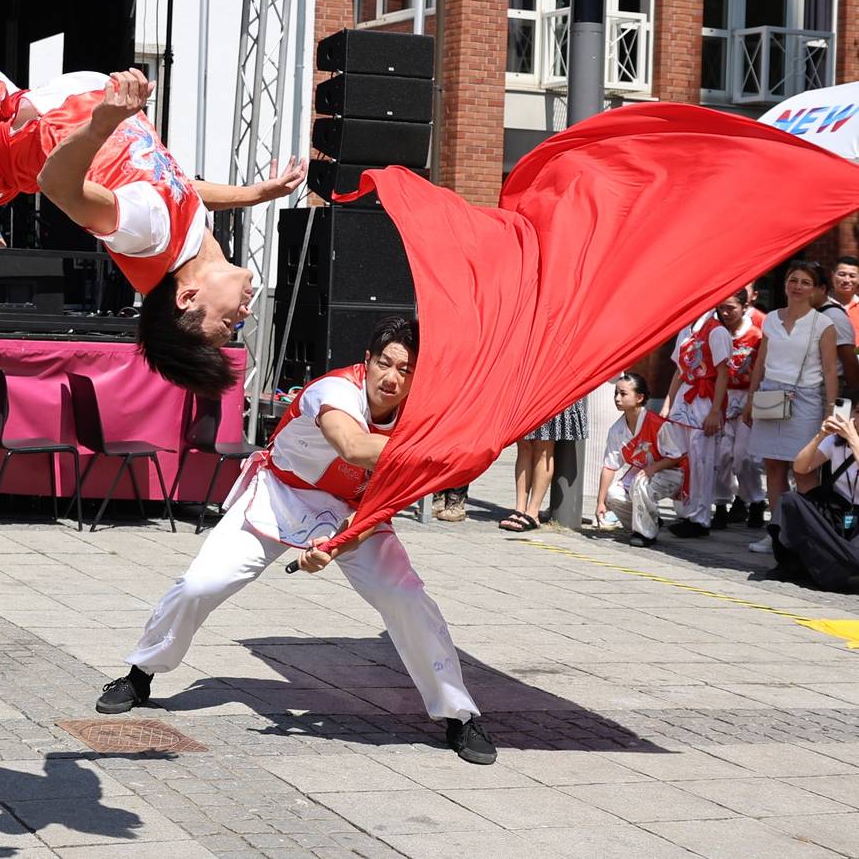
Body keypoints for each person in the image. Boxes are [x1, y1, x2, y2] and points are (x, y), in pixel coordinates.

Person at [94, 316, 497, 766]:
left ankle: (459, 715)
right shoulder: (336, 391)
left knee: (406, 597)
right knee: (200, 584)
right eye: (386, 363)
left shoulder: (422, 419)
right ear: (367, 362)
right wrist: (446, 451)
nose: (393, 377)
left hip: (354, 509)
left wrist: (334, 547)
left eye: (406, 371)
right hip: (282, 494)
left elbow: (385, 500)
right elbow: (352, 447)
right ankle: (140, 673)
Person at [0, 67, 305, 396]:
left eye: (226, 324)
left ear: (187, 298)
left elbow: (59, 185)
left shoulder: (150, 231)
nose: (243, 315)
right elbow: (178, 185)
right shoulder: (184, 237)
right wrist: (255, 194)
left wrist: (103, 123)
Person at [743, 260, 839, 553]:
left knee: (803, 469)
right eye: (793, 280)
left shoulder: (823, 324)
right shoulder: (771, 318)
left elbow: (829, 369)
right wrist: (750, 398)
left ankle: (808, 536)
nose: (797, 286)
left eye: (805, 282)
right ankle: (778, 533)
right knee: (773, 465)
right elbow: (761, 361)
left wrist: (830, 410)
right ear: (785, 283)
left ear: (816, 290)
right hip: (770, 396)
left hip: (806, 399)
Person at [772, 398, 859, 590]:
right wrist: (821, 436)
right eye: (857, 412)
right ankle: (790, 565)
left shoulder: (852, 440)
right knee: (791, 501)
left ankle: (836, 568)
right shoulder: (835, 442)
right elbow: (801, 467)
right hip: (839, 513)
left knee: (855, 561)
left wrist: (854, 438)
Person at [595, 372, 687, 546]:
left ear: (639, 397)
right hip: (644, 472)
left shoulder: (657, 424)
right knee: (613, 494)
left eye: (623, 394)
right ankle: (649, 522)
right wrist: (601, 502)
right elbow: (609, 466)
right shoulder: (617, 430)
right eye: (616, 393)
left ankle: (646, 534)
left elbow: (677, 456)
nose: (617, 398)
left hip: (671, 472)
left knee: (640, 482)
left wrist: (651, 469)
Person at [661, 310, 731, 537]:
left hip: (705, 398)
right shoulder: (685, 329)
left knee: (702, 460)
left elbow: (722, 374)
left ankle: (701, 517)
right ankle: (685, 510)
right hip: (685, 397)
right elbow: (679, 372)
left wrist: (714, 411)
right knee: (683, 458)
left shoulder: (717, 330)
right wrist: (668, 402)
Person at [711, 290, 766, 530]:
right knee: (721, 455)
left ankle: (754, 500)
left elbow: (761, 369)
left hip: (747, 397)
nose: (725, 313)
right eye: (721, 307)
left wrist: (753, 400)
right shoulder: (716, 333)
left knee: (744, 456)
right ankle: (721, 505)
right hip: (722, 397)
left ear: (744, 307)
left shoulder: (756, 335)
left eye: (731, 308)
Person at [497, 398, 587, 533]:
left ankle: (533, 511)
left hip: (552, 387)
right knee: (523, 444)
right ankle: (519, 508)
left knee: (543, 445)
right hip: (527, 385)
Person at [830, 255, 859, 338]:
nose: (846, 280)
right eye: (842, 274)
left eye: (852, 276)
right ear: (832, 275)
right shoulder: (820, 305)